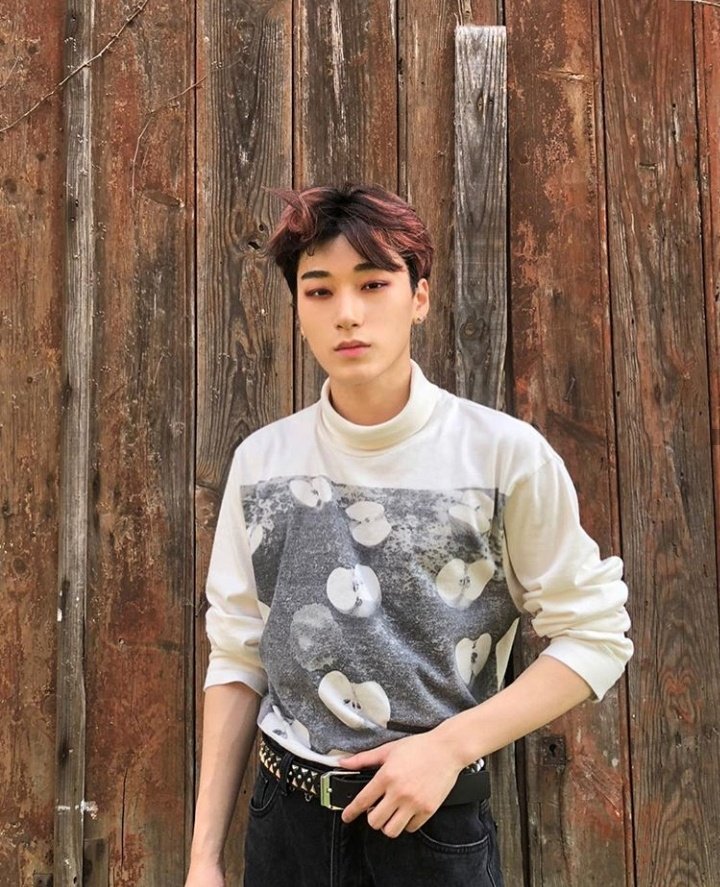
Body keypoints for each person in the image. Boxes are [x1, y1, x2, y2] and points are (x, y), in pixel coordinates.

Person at [184, 183, 633, 887]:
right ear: (298, 310)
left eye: (374, 283)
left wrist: (449, 747)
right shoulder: (262, 461)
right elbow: (238, 653)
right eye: (320, 290)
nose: (347, 312)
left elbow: (597, 634)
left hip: (433, 825)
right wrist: (204, 858)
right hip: (285, 826)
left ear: (419, 297)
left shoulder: (501, 456)